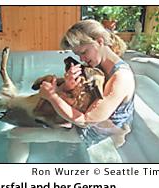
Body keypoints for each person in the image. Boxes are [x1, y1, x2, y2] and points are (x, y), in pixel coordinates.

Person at [39, 19, 135, 150]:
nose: (82, 59)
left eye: (84, 52)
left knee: (17, 134)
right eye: (78, 55)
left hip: (96, 133)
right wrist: (68, 84)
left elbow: (86, 121)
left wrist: (52, 96)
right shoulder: (96, 66)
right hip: (87, 124)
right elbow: (77, 99)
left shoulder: (121, 77)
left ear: (99, 41)